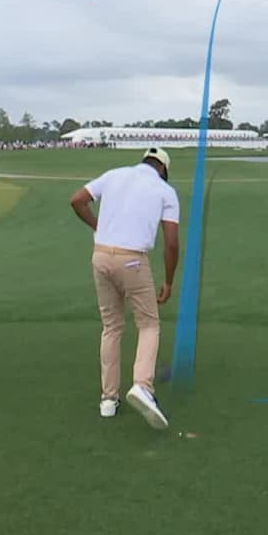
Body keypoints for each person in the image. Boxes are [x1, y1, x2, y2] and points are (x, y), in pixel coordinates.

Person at [68, 146, 180, 430]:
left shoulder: (114, 175)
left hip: (101, 256)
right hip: (133, 261)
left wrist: (98, 226)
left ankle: (108, 400)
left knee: (112, 326)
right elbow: (171, 243)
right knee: (149, 324)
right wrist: (168, 281)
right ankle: (143, 386)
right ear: (164, 169)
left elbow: (78, 200)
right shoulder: (165, 191)